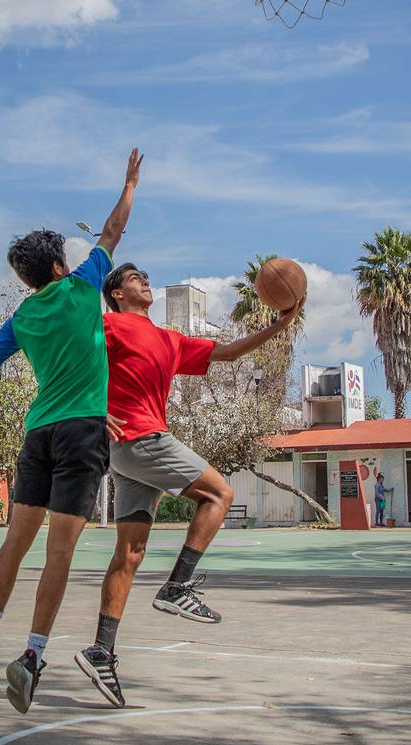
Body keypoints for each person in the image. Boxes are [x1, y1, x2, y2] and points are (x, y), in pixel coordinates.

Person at [0, 149, 143, 714]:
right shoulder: (84, 285)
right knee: (59, 552)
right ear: (60, 267)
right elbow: (114, 228)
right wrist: (131, 183)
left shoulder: (22, 317)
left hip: (37, 433)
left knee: (14, 543)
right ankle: (32, 656)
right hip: (82, 435)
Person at [73, 263, 304, 707]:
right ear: (117, 294)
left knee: (130, 554)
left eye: (144, 274)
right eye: (133, 277)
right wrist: (92, 409)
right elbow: (67, 359)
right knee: (219, 493)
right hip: (139, 438)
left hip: (129, 454)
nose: (144, 279)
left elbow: (231, 353)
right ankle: (178, 586)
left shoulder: (169, 339)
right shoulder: (108, 324)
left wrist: (281, 324)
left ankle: (101, 649)